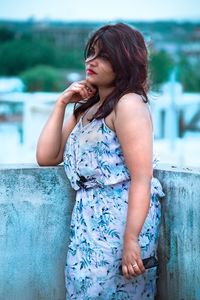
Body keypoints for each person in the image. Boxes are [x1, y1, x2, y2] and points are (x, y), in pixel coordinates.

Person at [36, 23, 165, 299]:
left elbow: (142, 178)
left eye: (102, 56)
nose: (90, 61)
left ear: (124, 60)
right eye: (91, 53)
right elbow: (47, 157)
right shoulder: (88, 107)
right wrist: (62, 103)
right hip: (87, 222)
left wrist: (131, 240)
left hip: (120, 222)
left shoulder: (128, 104)